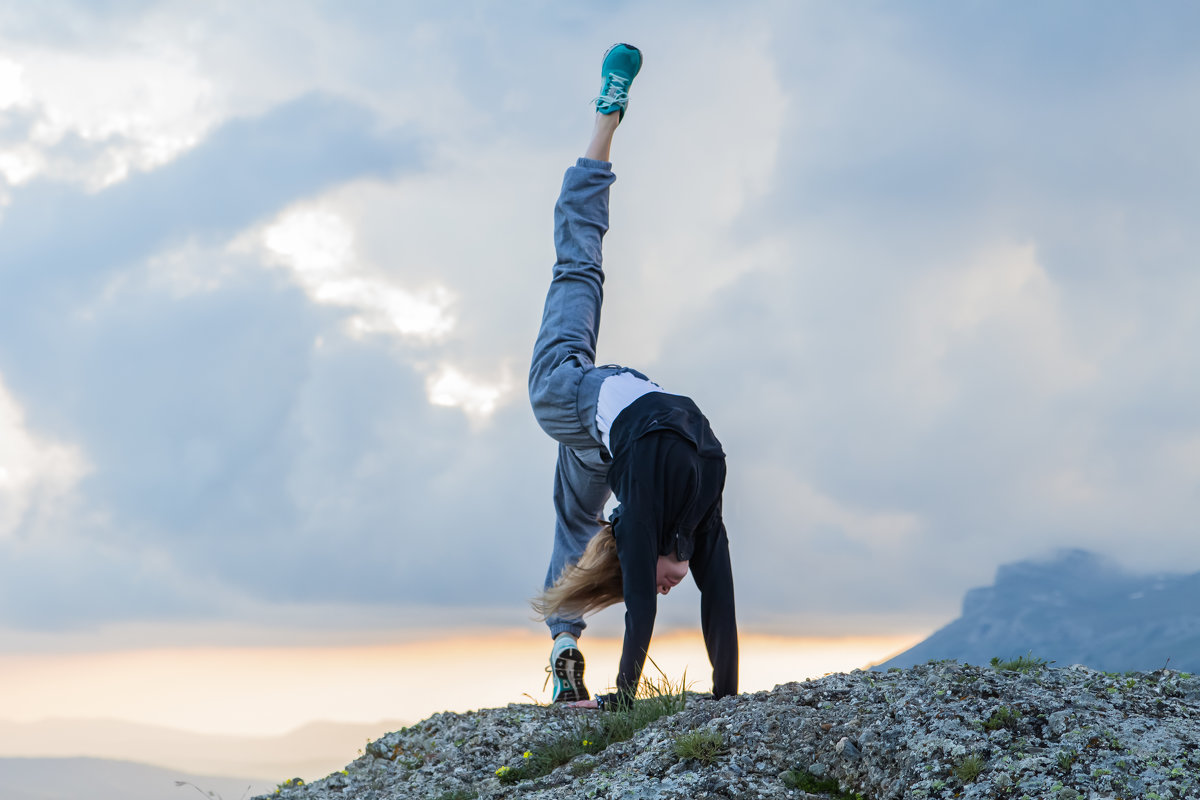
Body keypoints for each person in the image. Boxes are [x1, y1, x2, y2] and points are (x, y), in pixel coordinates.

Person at [528, 43, 738, 710]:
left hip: (591, 414)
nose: (670, 588)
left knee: (574, 522)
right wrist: (715, 696)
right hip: (593, 403)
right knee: (580, 272)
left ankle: (563, 651)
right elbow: (691, 602)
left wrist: (638, 694)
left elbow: (678, 603)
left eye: (650, 582)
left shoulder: (656, 515)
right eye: (664, 583)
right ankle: (603, 127)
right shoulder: (693, 509)